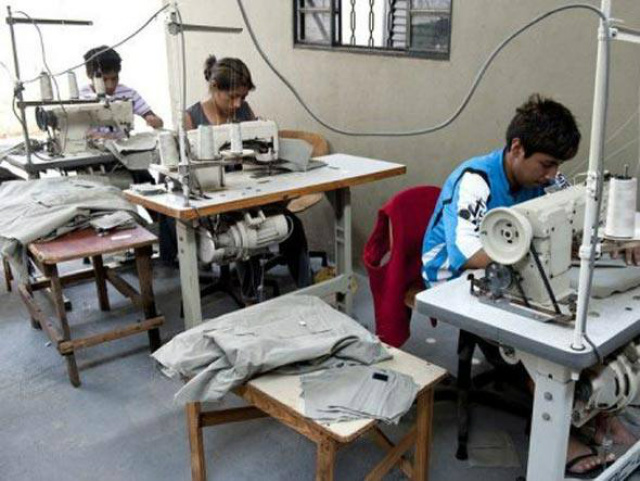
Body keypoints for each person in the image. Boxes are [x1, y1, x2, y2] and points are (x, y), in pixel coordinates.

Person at [422, 94, 637, 477]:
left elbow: (557, 224)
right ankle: (565, 431)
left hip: (503, 266)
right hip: (451, 278)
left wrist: (604, 243)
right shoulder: (477, 180)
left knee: (586, 315)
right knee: (539, 334)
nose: (552, 175)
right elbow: (467, 255)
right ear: (517, 149)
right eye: (547, 164)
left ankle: (598, 416)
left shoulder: (538, 182)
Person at [162, 56, 312, 301]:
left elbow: (254, 153)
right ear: (213, 88)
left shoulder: (243, 110)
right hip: (212, 199)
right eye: (231, 96)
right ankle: (252, 300)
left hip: (246, 192)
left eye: (243, 97)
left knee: (293, 225)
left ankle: (308, 291)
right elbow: (187, 170)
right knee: (246, 232)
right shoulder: (191, 118)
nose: (237, 103)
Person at [80, 46, 163, 129]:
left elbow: (156, 120)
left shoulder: (129, 94)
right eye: (104, 80)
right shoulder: (82, 97)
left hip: (121, 141)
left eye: (114, 78)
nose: (110, 85)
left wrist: (153, 120)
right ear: (89, 75)